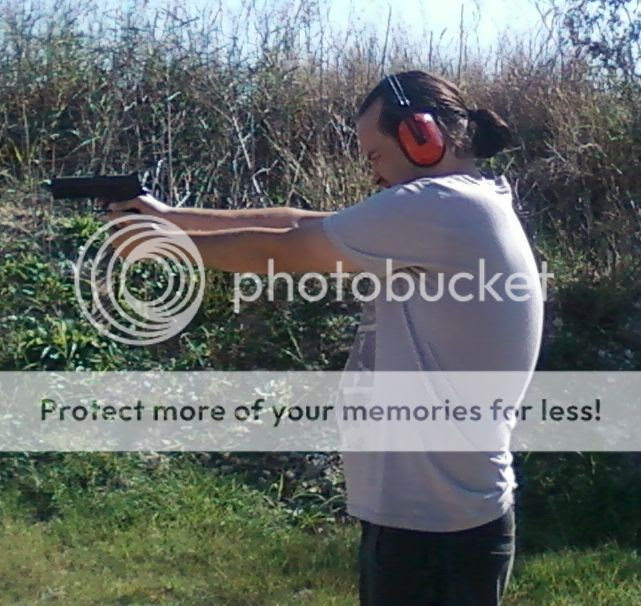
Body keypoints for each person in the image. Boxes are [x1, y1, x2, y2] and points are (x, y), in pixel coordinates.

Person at [104, 70, 544, 605]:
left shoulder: (440, 205)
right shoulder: (459, 203)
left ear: (422, 136)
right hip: (436, 518)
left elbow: (286, 248)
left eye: (375, 155)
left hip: (435, 531)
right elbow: (301, 222)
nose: (373, 173)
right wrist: (171, 218)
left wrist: (164, 243)